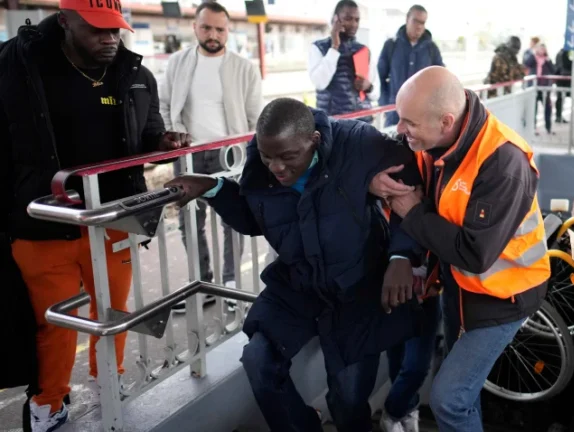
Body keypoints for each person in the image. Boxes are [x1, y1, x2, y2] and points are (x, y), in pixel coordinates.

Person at [165, 98, 423, 432]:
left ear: (314, 141)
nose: (277, 168)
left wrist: (401, 256)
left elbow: (415, 188)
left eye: (288, 157)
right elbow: (254, 217)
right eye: (268, 156)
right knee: (258, 361)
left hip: (358, 286)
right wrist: (213, 188)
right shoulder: (262, 162)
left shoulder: (358, 142)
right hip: (298, 283)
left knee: (348, 400)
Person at [0, 1, 190, 430]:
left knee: (113, 310)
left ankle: (110, 381)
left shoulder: (135, 74)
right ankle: (48, 405)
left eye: (115, 30)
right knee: (53, 326)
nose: (109, 39)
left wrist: (162, 140)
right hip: (43, 225)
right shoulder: (22, 68)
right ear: (65, 22)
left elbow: (146, 131)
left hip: (113, 220)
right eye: (97, 30)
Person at [369, 66, 550, 431]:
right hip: (459, 287)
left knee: (449, 398)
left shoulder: (504, 162)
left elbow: (474, 254)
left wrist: (413, 213)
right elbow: (389, 162)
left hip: (502, 296)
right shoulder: (431, 137)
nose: (399, 130)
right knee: (463, 395)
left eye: (409, 124)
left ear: (446, 121)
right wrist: (372, 180)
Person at [159, 1, 261, 312]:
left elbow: (255, 117)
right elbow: (163, 106)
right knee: (189, 223)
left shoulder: (245, 68)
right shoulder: (177, 63)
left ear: (228, 31)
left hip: (229, 155)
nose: (213, 34)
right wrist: (171, 134)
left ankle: (230, 285)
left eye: (220, 28)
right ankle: (203, 285)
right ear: (195, 28)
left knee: (232, 220)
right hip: (189, 155)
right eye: (207, 27)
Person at [309, 0, 378, 121]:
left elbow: (376, 93)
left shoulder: (363, 50)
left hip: (363, 123)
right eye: (348, 18)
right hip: (335, 125)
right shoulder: (318, 48)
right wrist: (334, 47)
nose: (353, 24)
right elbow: (320, 82)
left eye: (357, 20)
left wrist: (369, 87)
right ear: (335, 19)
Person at [378, 4, 444, 128]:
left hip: (422, 115)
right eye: (416, 21)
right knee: (391, 145)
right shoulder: (391, 46)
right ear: (407, 19)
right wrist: (385, 104)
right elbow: (380, 78)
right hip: (394, 113)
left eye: (423, 23)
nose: (419, 26)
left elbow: (441, 81)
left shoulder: (432, 49)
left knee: (418, 147)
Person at [524, 43, 556, 135]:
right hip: (534, 87)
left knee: (548, 108)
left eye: (543, 49)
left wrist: (548, 60)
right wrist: (534, 54)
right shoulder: (533, 58)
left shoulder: (547, 60)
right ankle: (533, 128)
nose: (542, 51)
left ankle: (548, 128)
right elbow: (526, 63)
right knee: (534, 108)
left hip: (545, 87)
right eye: (540, 49)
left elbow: (553, 70)